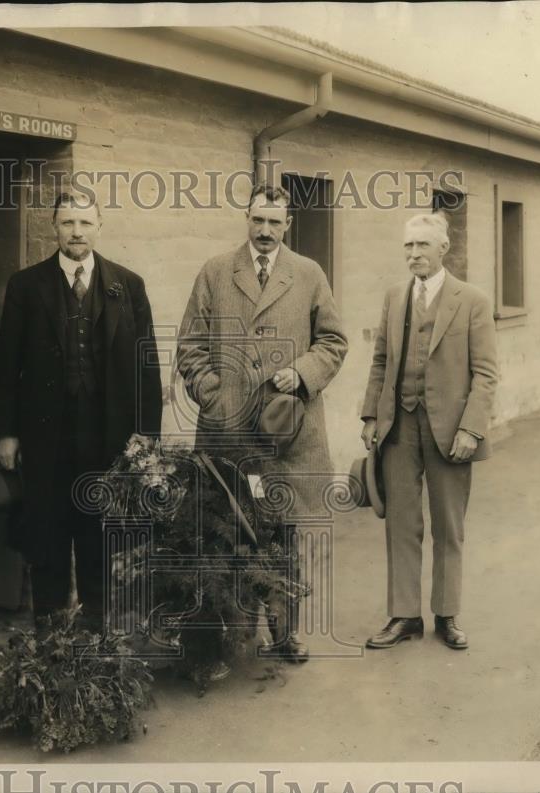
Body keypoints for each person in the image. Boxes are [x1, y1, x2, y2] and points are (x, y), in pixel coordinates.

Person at [177, 183, 348, 662]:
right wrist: (213, 394)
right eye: (258, 220)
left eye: (275, 222)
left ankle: (283, 631)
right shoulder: (215, 271)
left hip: (287, 430)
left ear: (288, 224)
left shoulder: (309, 274)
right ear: (246, 220)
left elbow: (334, 342)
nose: (266, 230)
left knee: (284, 533)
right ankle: (229, 634)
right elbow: (189, 344)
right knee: (226, 531)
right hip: (226, 431)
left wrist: (302, 372)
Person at [0, 191, 162, 631]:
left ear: (99, 226)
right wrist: (6, 432)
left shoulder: (128, 284)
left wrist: (146, 438)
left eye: (85, 222)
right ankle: (50, 636)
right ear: (54, 227)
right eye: (68, 223)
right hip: (47, 434)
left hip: (108, 436)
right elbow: (7, 363)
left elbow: (147, 367)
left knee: (98, 536)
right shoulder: (26, 286)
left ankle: (97, 634)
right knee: (46, 534)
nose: (77, 232)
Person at [360, 212, 498, 650]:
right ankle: (404, 616)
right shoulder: (394, 297)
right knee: (400, 523)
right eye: (408, 246)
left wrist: (471, 430)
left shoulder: (472, 300)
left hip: (451, 430)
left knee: (448, 526)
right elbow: (381, 360)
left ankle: (447, 614)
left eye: (422, 245)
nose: (414, 253)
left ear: (444, 249)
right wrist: (370, 417)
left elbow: (486, 374)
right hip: (399, 426)